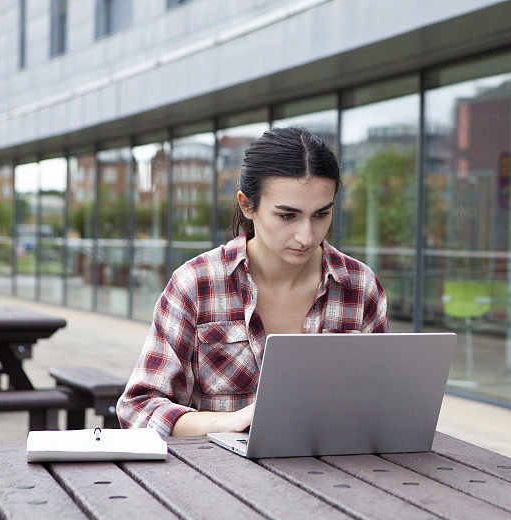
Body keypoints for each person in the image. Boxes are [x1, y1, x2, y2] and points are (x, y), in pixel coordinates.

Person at [117, 127, 390, 437]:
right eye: (288, 216)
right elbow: (137, 409)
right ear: (247, 205)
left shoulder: (360, 286)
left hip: (333, 477)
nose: (307, 235)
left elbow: (381, 406)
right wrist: (228, 424)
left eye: (321, 214)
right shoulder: (196, 284)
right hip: (216, 478)